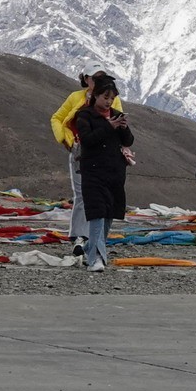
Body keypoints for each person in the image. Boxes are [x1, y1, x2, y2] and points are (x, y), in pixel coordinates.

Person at [50, 63, 124, 257]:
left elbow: (120, 124)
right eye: (94, 77)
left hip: (104, 153)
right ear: (86, 79)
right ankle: (79, 236)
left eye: (102, 76)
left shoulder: (112, 99)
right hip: (79, 149)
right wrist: (64, 139)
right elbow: (57, 118)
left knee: (102, 194)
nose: (97, 80)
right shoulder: (76, 98)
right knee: (82, 193)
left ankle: (95, 238)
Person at [74, 75, 134, 272]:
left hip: (114, 172)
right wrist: (109, 127)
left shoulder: (116, 114)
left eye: (111, 97)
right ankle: (96, 259)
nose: (108, 101)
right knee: (97, 213)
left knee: (108, 214)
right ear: (95, 96)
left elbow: (129, 140)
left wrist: (123, 128)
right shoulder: (84, 116)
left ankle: (91, 248)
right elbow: (88, 140)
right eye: (105, 97)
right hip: (93, 171)